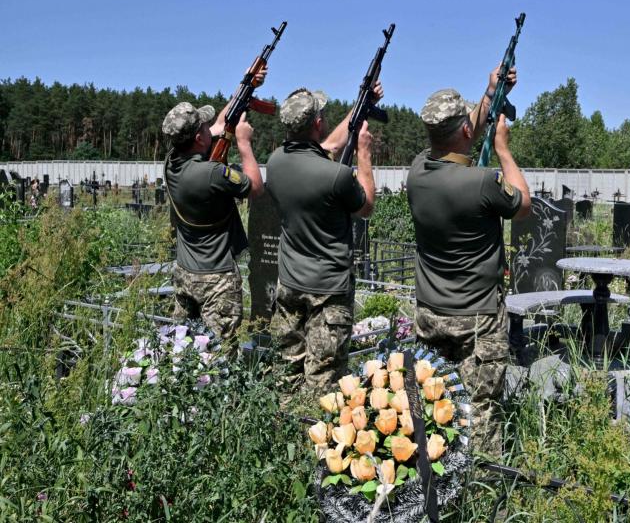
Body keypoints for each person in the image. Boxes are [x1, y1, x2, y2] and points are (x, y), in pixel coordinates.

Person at [406, 66, 531, 457]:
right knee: (480, 411)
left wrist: (491, 91)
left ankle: (432, 484)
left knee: (434, 406)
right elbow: (523, 204)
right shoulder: (481, 182)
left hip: (430, 312)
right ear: (463, 131)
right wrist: (504, 149)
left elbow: (459, 137)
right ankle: (479, 495)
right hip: (477, 319)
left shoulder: (416, 171)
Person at [266, 83, 381, 401]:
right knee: (324, 387)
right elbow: (367, 205)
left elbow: (324, 148)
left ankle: (281, 441)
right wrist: (364, 153)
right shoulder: (337, 176)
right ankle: (315, 446)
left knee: (286, 375)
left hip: (290, 284)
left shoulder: (275, 162)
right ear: (317, 123)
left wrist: (362, 104)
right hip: (328, 292)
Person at [162, 85, 264, 344]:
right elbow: (255, 187)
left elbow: (220, 125)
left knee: (184, 350)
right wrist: (244, 143)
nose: (211, 129)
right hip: (217, 280)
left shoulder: (172, 161)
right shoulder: (211, 174)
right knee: (220, 357)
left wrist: (245, 88)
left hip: (186, 272)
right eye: (204, 128)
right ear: (198, 139)